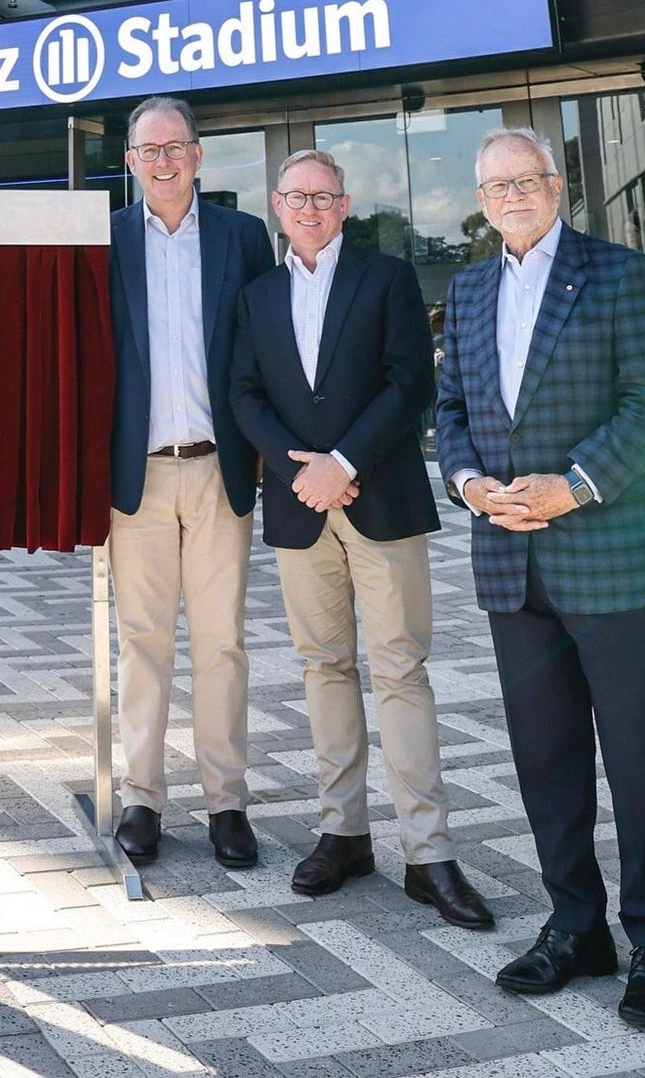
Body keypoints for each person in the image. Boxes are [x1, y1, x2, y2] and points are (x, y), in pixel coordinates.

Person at [436, 127, 645, 1030]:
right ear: (481, 196)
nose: (511, 194)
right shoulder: (468, 292)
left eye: (527, 178)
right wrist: (469, 484)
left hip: (612, 552)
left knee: (639, 754)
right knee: (545, 757)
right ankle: (577, 926)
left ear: (557, 186)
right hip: (511, 558)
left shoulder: (615, 272)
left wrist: (573, 485)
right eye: (494, 184)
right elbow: (453, 410)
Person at [228, 150, 492, 928]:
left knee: (401, 670)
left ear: (345, 205)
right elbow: (243, 392)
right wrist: (298, 468)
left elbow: (411, 381)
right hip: (299, 509)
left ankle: (429, 853)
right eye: (296, 197)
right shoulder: (259, 294)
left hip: (381, 498)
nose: (309, 208)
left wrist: (342, 462)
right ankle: (342, 831)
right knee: (323, 668)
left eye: (324, 196)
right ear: (277, 207)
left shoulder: (387, 278)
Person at [106, 96, 276, 867]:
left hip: (219, 468)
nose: (164, 161)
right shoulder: (105, 242)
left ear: (198, 156)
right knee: (142, 643)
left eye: (176, 147)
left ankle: (226, 803)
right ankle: (140, 798)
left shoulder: (243, 239)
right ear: (132, 160)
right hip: (136, 476)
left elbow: (268, 353)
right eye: (150, 149)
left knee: (222, 645)